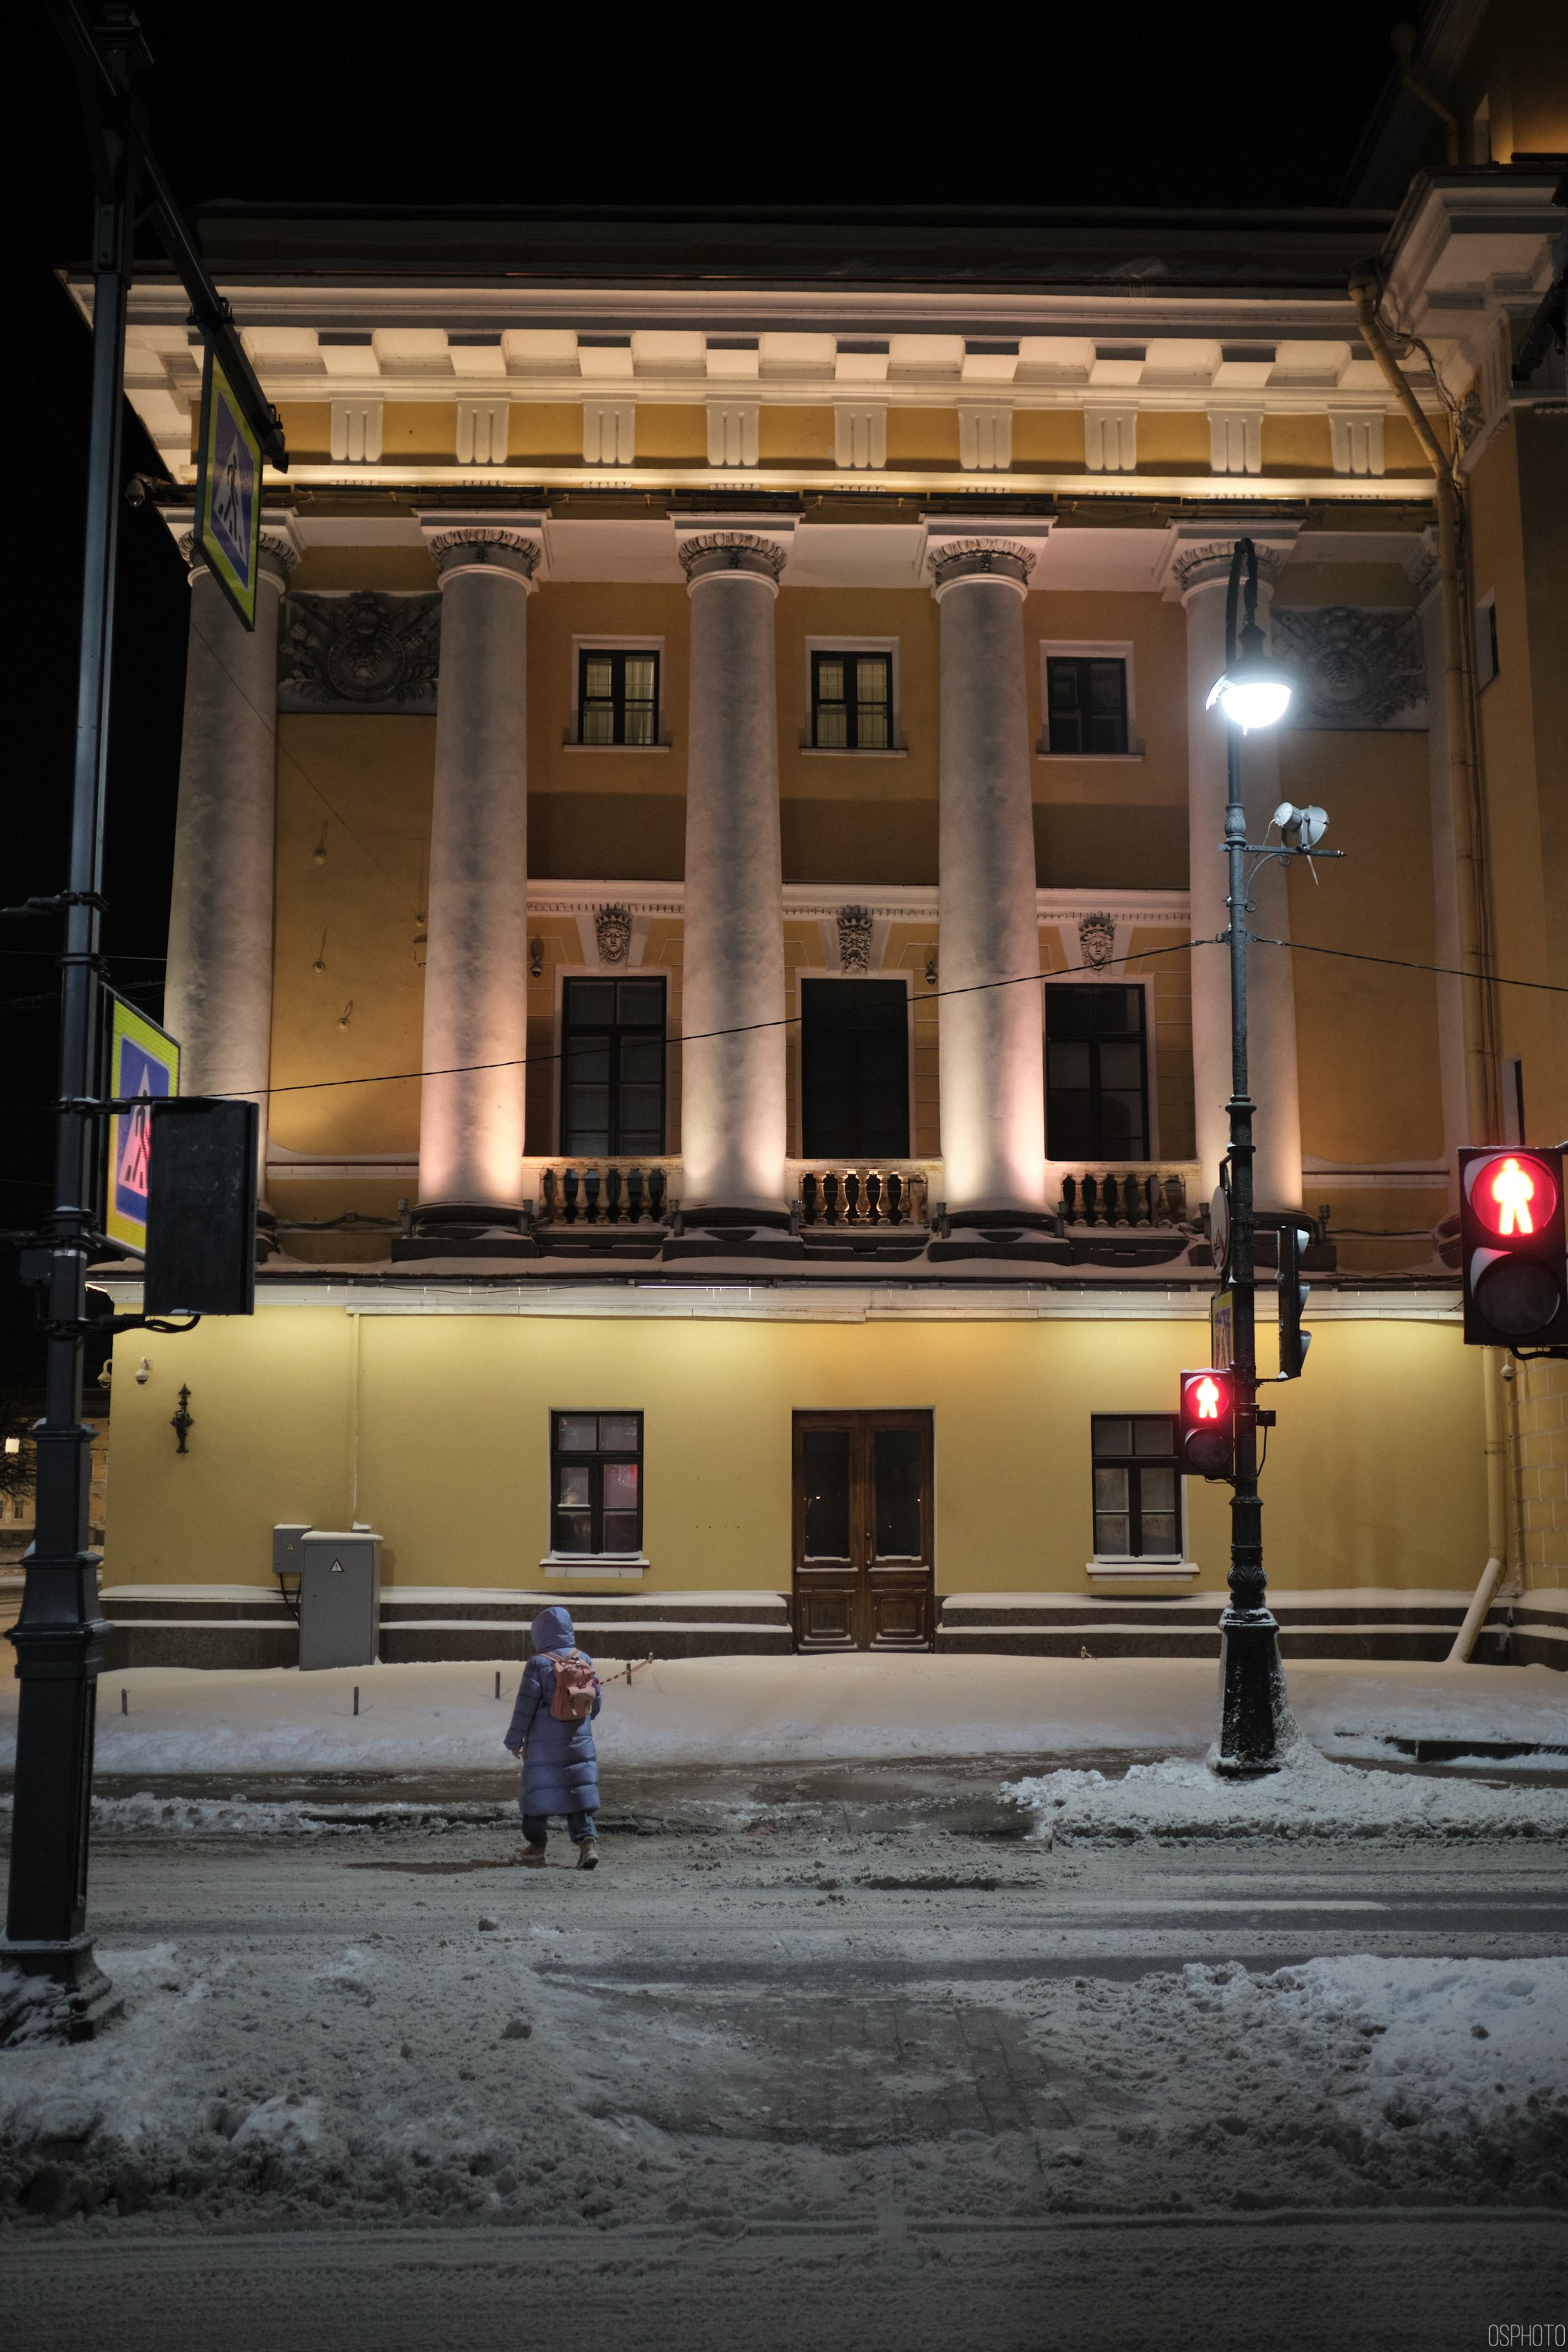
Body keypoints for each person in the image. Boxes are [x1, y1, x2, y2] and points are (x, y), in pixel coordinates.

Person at [504, 1604, 602, 1870]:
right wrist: (580, 1721)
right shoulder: (584, 1659)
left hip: (543, 1748)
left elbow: (525, 1707)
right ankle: (587, 1845)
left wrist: (514, 1740)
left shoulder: (538, 1663)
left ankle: (536, 1847)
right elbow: (596, 1701)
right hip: (578, 1743)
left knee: (538, 1795)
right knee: (578, 1793)